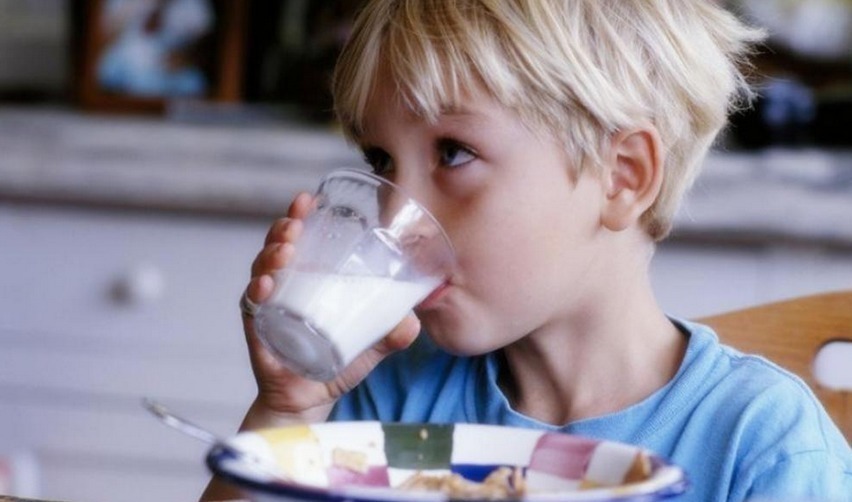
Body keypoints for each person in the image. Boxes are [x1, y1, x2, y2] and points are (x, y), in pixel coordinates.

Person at [201, 1, 852, 500]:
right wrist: (288, 412)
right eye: (381, 160)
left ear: (622, 176)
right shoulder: (392, 401)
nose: (397, 214)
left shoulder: (760, 444)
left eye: (453, 153)